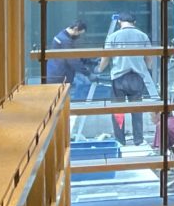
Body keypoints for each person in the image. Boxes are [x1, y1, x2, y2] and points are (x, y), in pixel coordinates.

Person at [100, 13, 156, 147]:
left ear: (119, 21)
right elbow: (149, 58)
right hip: (137, 76)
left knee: (118, 110)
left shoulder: (113, 36)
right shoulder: (143, 36)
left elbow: (106, 57)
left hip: (119, 77)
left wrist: (99, 70)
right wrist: (147, 68)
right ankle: (138, 140)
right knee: (136, 109)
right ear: (134, 22)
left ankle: (120, 141)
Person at [45, 20, 97, 101]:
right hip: (59, 76)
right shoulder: (65, 41)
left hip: (55, 73)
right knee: (59, 102)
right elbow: (73, 60)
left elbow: (74, 54)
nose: (79, 36)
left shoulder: (62, 36)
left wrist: (89, 61)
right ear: (75, 29)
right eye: (79, 34)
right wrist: (88, 73)